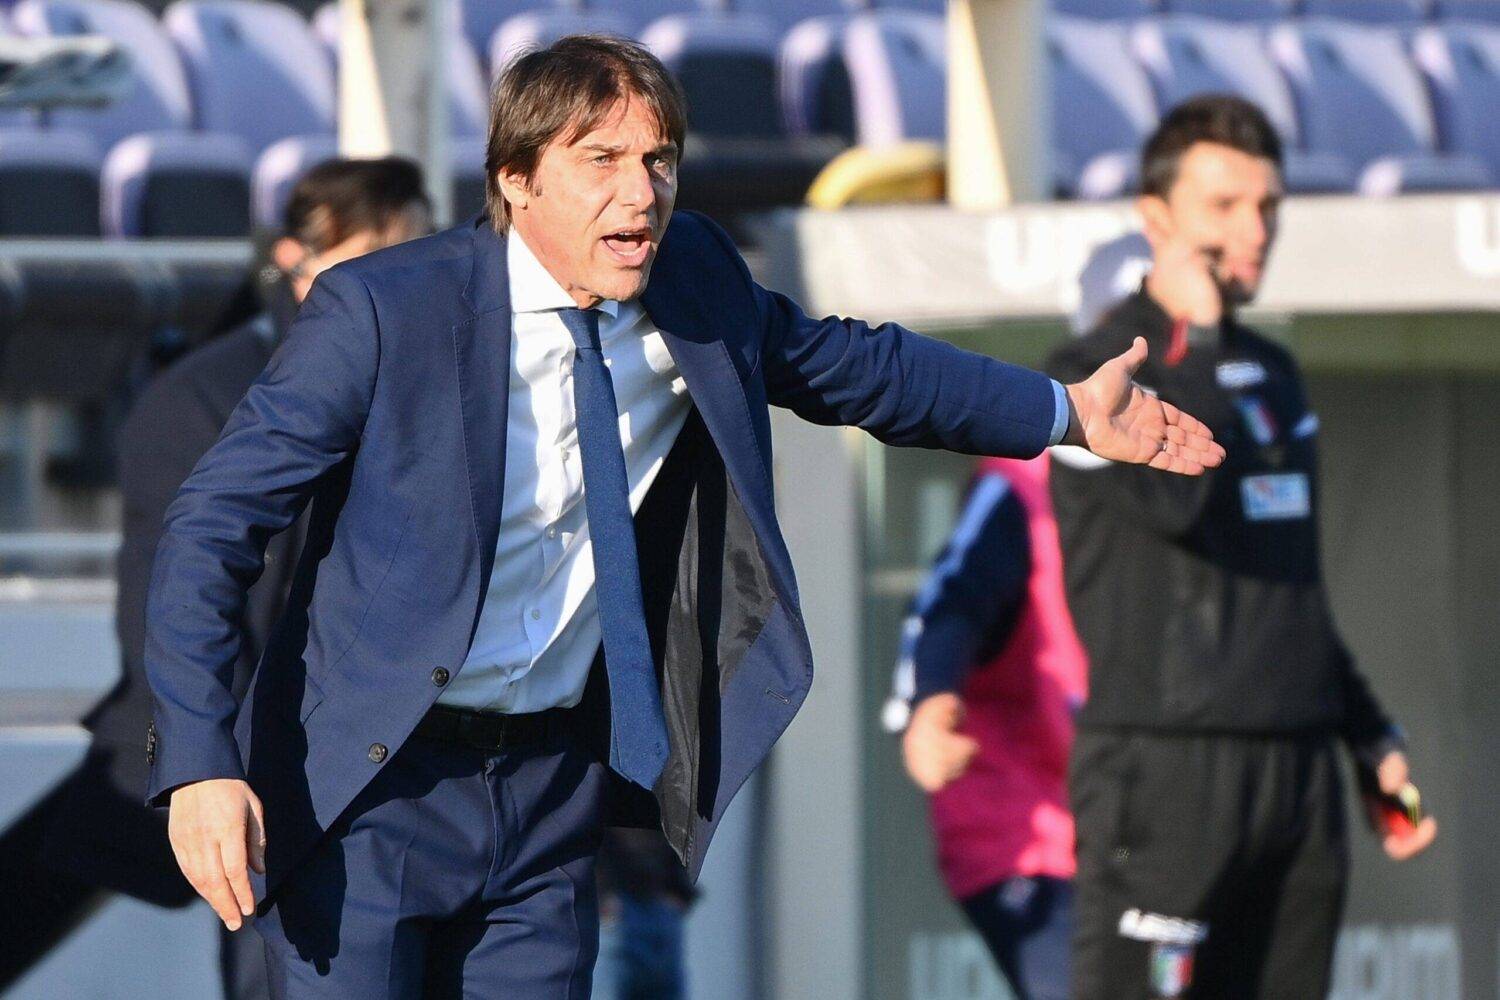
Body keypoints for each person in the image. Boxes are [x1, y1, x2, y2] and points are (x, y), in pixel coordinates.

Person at [142, 35, 1222, 998]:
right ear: (516, 179)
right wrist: (199, 760)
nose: (641, 193)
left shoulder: (694, 280)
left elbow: (860, 369)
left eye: (659, 161)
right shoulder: (382, 310)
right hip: (367, 789)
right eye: (601, 160)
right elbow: (211, 527)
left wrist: (1065, 411)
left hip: (548, 797)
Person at [0, 157, 431, 996]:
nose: (402, 284)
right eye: (377, 257)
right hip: (245, 748)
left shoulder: (416, 383)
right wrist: (214, 759)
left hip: (348, 749)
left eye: (414, 256)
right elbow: (169, 598)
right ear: (295, 260)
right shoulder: (199, 397)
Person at [1046, 94, 1438, 1000]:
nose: (1255, 230)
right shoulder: (1093, 377)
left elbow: (1293, 590)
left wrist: (1369, 736)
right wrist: (1196, 345)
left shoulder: (1274, 371)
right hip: (1165, 773)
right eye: (1224, 206)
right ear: (1155, 218)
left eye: (1268, 206)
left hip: (1298, 778)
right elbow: (1178, 506)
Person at [885, 452, 1088, 1000]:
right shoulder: (1022, 487)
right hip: (1023, 826)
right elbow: (948, 603)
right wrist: (929, 705)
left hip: (1138, 827)